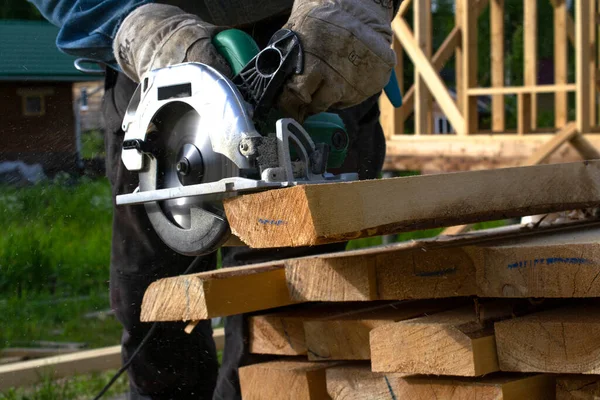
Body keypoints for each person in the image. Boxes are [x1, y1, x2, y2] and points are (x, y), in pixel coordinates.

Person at [30, 1, 402, 398]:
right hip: (157, 53)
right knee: (156, 316)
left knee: (284, 339)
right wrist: (123, 19)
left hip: (317, 50)